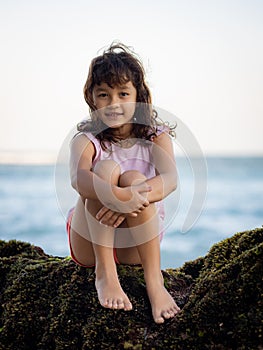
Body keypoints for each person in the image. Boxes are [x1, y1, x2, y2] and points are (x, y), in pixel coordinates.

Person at [67, 42, 180, 324]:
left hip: (136, 244)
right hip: (89, 243)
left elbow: (170, 179)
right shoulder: (86, 140)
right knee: (104, 169)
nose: (114, 103)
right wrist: (114, 195)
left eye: (123, 93)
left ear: (138, 96)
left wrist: (130, 195)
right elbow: (78, 179)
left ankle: (154, 281)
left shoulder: (156, 136)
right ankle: (105, 274)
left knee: (136, 178)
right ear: (92, 98)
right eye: (104, 94)